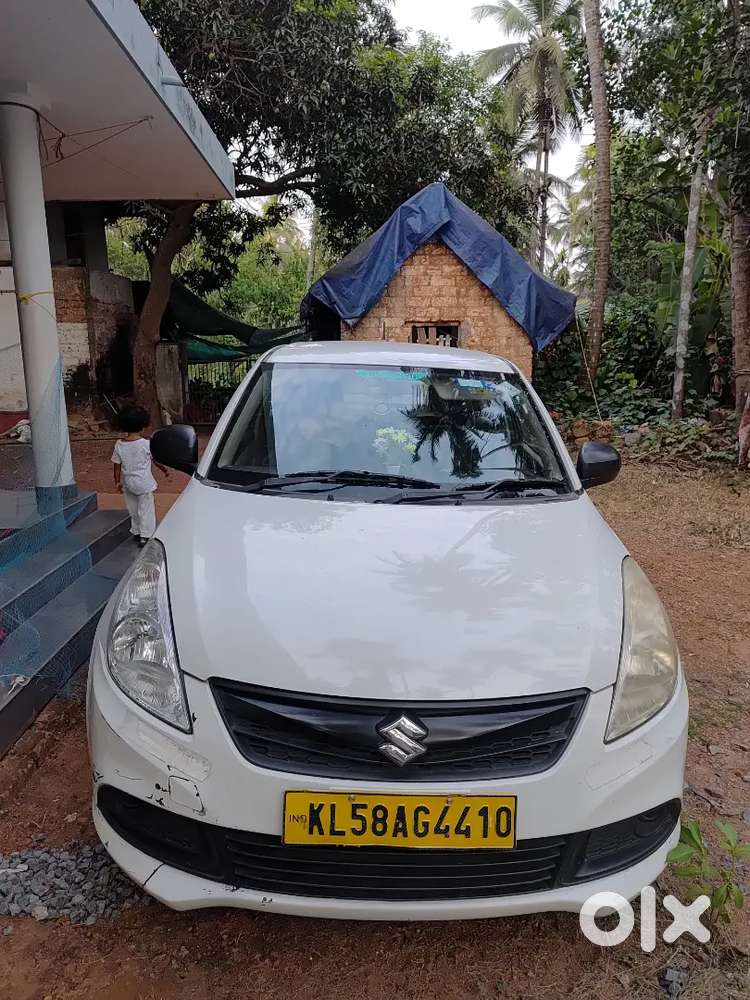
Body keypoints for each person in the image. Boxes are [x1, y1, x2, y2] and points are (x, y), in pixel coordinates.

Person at [112, 405, 170, 547]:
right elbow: (156, 460)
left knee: (133, 508)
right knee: (146, 509)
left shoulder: (119, 444)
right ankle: (146, 536)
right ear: (143, 426)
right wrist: (165, 471)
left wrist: (117, 482)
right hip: (144, 484)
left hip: (128, 483)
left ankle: (136, 532)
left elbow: (116, 465)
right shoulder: (146, 444)